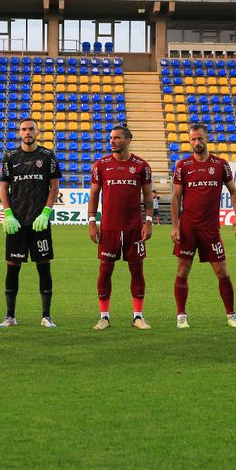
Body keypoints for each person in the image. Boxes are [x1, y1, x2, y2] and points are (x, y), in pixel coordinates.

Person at [169, 124, 236, 329]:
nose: (196, 143)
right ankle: (181, 315)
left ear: (207, 138)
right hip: (188, 229)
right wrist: (175, 226)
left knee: (222, 272)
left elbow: (234, 192)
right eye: (193, 139)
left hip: (211, 229)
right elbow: (176, 197)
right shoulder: (183, 166)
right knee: (183, 271)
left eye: (200, 139)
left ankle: (231, 314)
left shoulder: (220, 164)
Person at [88, 125, 153, 330]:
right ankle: (104, 317)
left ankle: (138, 317)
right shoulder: (101, 165)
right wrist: (92, 221)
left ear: (127, 140)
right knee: (104, 271)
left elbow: (148, 196)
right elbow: (94, 195)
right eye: (111, 138)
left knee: (137, 272)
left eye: (116, 138)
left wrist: (149, 221)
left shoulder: (142, 166)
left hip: (134, 229)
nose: (112, 141)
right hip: (109, 228)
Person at [0, 118, 61, 328]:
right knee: (12, 267)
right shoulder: (10, 157)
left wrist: (45, 212)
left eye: (31, 129)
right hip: (16, 222)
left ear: (38, 132)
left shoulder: (47, 156)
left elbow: (54, 187)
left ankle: (46, 316)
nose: (27, 132)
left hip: (39, 223)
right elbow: (4, 188)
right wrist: (8, 213)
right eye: (24, 129)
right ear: (19, 133)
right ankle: (9, 316)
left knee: (43, 266)